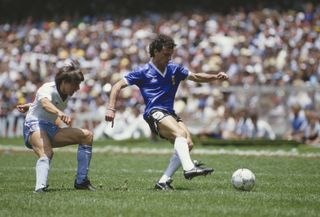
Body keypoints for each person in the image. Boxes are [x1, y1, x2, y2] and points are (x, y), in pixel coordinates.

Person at [105, 34, 229, 190]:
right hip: (154, 112)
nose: (169, 58)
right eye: (165, 54)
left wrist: (214, 77)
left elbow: (196, 76)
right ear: (155, 52)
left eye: (171, 54)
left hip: (169, 113)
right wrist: (111, 108)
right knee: (180, 134)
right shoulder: (143, 71)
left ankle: (163, 181)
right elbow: (117, 86)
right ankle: (189, 168)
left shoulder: (174, 69)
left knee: (188, 144)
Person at [17, 60, 96, 193]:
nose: (77, 88)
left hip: (51, 128)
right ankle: (40, 188)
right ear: (64, 82)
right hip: (33, 125)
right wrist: (59, 113)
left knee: (87, 136)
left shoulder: (65, 93)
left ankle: (81, 181)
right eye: (75, 84)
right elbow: (45, 103)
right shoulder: (48, 88)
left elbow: (43, 103)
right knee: (47, 152)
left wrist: (30, 105)